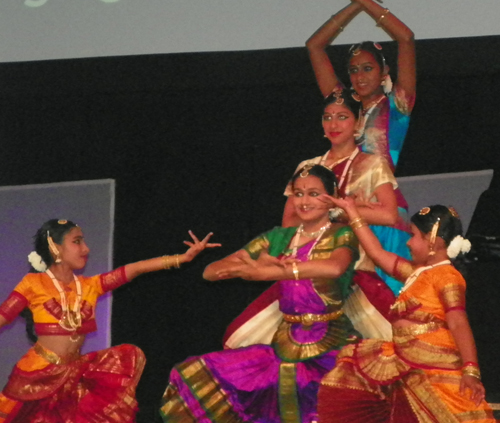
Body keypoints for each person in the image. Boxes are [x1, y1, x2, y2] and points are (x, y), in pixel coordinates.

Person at [160, 165, 361, 423]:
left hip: (332, 344)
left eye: (313, 193)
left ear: (332, 196)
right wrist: (242, 268)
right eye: (298, 194)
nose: (304, 201)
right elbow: (211, 271)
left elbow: (335, 267)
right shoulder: (277, 238)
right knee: (194, 374)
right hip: (285, 344)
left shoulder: (342, 234)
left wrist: (273, 272)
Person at [0, 219, 219, 423]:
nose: (86, 249)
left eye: (83, 241)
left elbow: (134, 269)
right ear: (54, 247)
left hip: (74, 375)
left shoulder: (90, 285)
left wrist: (183, 258)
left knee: (127, 356)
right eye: (77, 242)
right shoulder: (32, 283)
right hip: (37, 374)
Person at [317, 200, 497, 422]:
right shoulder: (416, 274)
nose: (409, 243)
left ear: (432, 240)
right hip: (407, 361)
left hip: (433, 366)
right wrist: (352, 212)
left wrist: (470, 371)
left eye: (413, 236)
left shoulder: (447, 277)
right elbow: (376, 252)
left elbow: (458, 322)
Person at [283, 88, 410, 296]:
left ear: (358, 122)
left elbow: (389, 215)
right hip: (308, 267)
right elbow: (289, 222)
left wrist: (334, 210)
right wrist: (351, 208)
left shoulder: (372, 165)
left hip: (356, 269)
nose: (334, 125)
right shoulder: (307, 167)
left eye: (342, 117)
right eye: (327, 118)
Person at [306, 0, 416, 170]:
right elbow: (314, 46)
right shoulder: (343, 103)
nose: (360, 76)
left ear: (384, 71)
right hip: (339, 193)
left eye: (368, 68)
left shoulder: (397, 105)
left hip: (379, 194)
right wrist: (356, 5)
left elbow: (406, 38)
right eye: (354, 70)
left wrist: (366, 2)